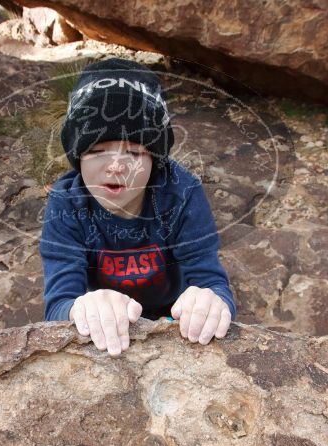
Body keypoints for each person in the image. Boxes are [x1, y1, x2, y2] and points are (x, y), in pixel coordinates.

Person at [39, 57, 236, 356]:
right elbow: (58, 303)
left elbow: (211, 280)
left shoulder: (181, 193)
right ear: (77, 157)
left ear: (155, 161)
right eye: (97, 150)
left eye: (133, 151)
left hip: (176, 319)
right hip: (103, 320)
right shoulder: (66, 203)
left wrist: (211, 301)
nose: (115, 166)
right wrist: (78, 307)